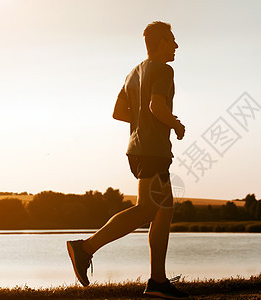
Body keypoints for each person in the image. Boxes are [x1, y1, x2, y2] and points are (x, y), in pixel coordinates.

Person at [66, 21, 188, 299]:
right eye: (172, 41)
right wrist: (175, 124)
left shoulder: (134, 73)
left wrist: (144, 119)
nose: (176, 46)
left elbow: (119, 111)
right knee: (146, 208)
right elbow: (156, 105)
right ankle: (84, 249)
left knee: (163, 210)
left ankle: (158, 281)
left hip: (139, 148)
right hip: (152, 149)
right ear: (160, 43)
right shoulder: (164, 70)